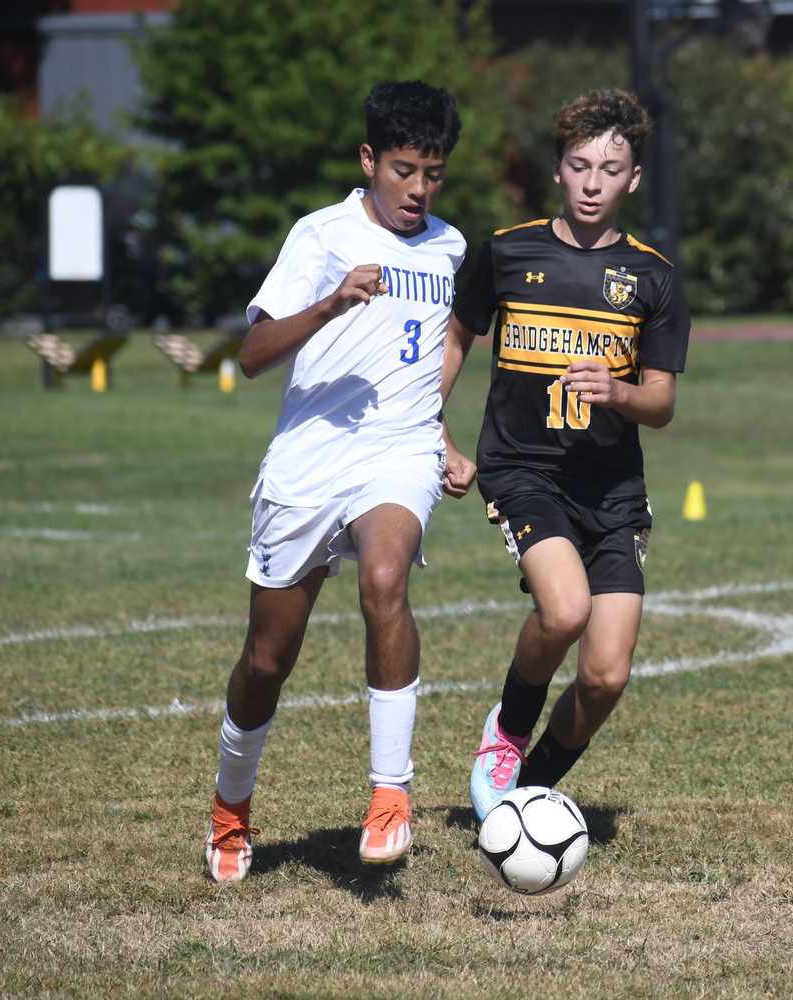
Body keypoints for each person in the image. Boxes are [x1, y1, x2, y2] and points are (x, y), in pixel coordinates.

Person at [203, 81, 467, 882]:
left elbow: (437, 346)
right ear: (368, 160)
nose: (419, 189)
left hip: (397, 451)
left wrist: (442, 433)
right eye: (403, 170)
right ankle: (230, 809)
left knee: (385, 578)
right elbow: (249, 358)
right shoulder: (319, 237)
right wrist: (330, 303)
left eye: (433, 173)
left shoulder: (449, 248)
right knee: (266, 660)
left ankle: (391, 796)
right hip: (310, 458)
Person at [438, 89, 691, 819]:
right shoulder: (508, 251)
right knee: (565, 609)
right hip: (524, 470)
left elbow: (663, 402)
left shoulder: (654, 279)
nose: (592, 182)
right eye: (579, 165)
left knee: (607, 676)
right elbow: (459, 336)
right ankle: (509, 732)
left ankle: (532, 790)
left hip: (613, 489)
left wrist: (618, 393)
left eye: (610, 169)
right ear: (557, 169)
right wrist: (438, 432)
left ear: (633, 179)